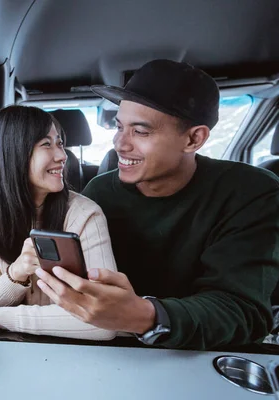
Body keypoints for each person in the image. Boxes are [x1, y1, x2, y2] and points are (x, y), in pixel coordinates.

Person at [35, 59, 279, 350]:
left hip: (207, 353)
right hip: (114, 348)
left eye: (140, 131)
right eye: (119, 126)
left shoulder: (251, 192)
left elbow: (242, 311)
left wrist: (145, 316)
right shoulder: (99, 190)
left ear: (193, 139)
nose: (119, 144)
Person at [0, 105, 117, 340]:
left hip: (77, 349)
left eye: (59, 143)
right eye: (46, 144)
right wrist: (17, 271)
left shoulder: (86, 214)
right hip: (15, 345)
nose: (62, 155)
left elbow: (106, 321)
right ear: (13, 154)